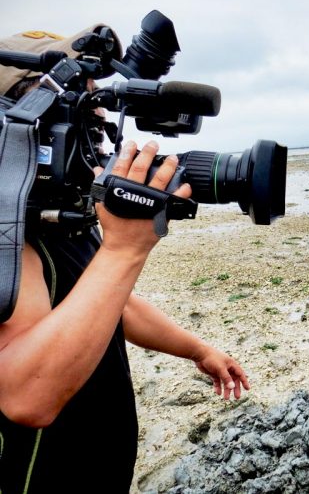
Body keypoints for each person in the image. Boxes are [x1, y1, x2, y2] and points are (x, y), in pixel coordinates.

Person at [0, 27, 250, 492]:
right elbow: (26, 397)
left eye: (95, 124)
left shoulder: (57, 217)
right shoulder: (8, 233)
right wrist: (124, 248)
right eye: (77, 123)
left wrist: (199, 350)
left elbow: (113, 303)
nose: (95, 141)